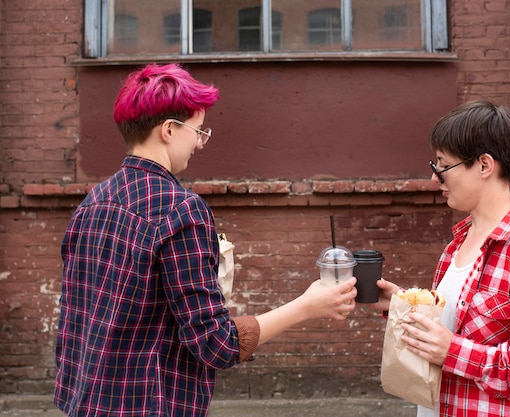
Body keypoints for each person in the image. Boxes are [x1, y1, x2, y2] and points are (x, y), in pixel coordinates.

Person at [54, 63, 357, 417]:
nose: (200, 142)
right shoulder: (181, 209)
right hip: (151, 406)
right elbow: (217, 344)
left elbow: (76, 324)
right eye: (197, 130)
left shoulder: (93, 202)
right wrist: (307, 306)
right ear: (169, 129)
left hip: (85, 405)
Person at [373, 100, 510, 416]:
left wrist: (453, 352)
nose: (436, 178)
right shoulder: (456, 247)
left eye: (443, 166)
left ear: (484, 166)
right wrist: (404, 305)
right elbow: (458, 326)